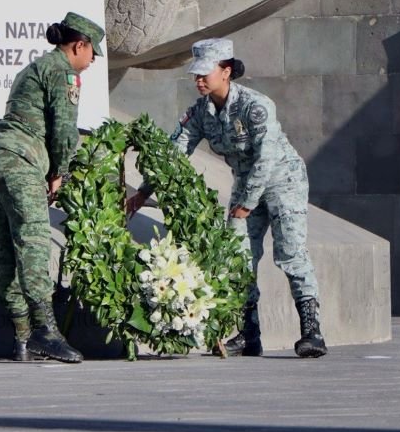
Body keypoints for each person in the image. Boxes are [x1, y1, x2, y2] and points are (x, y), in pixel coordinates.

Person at [126, 38, 327, 358]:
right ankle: (249, 335)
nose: (199, 79)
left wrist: (247, 203)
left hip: (282, 182)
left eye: (206, 73)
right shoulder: (200, 112)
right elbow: (174, 154)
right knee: (236, 258)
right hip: (244, 187)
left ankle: (312, 331)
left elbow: (266, 158)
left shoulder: (256, 106)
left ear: (227, 71)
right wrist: (142, 193)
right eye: (196, 74)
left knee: (290, 253)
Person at [0, 12, 105, 363]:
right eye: (92, 52)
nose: (93, 60)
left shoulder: (33, 67)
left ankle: (21, 336)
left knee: (10, 248)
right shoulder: (63, 72)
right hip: (22, 161)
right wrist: (59, 172)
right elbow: (65, 132)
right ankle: (46, 332)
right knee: (33, 242)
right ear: (78, 46)